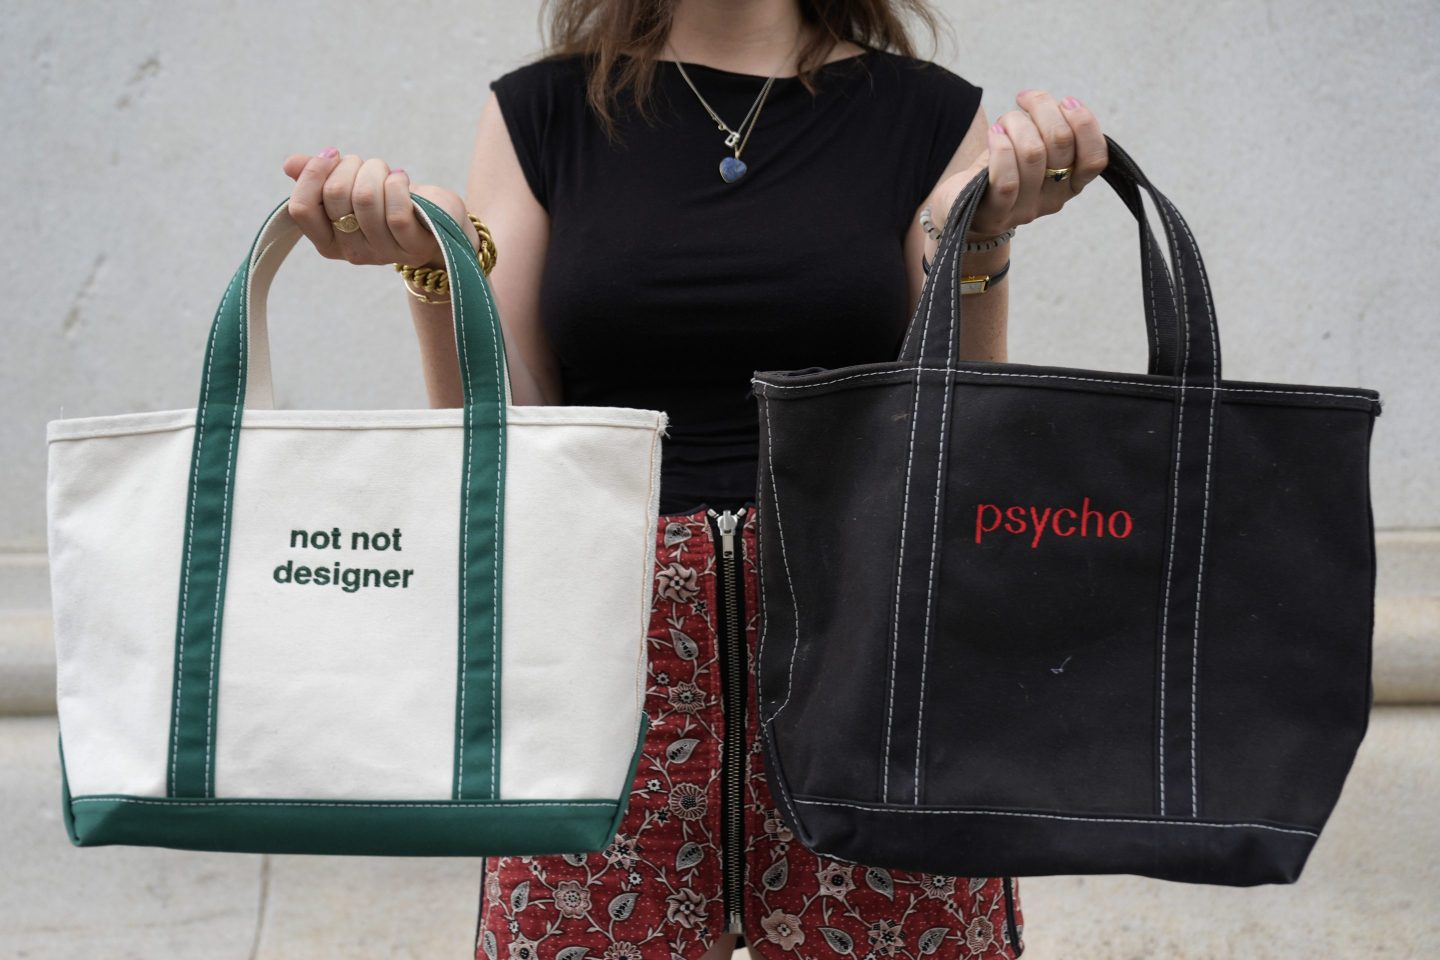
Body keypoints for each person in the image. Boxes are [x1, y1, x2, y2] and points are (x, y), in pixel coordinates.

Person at [281, 1, 1109, 957]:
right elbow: (509, 440)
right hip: (601, 672)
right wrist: (437, 270)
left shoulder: (925, 114)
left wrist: (979, 243)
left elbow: (958, 439)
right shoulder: (542, 110)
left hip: (866, 665)